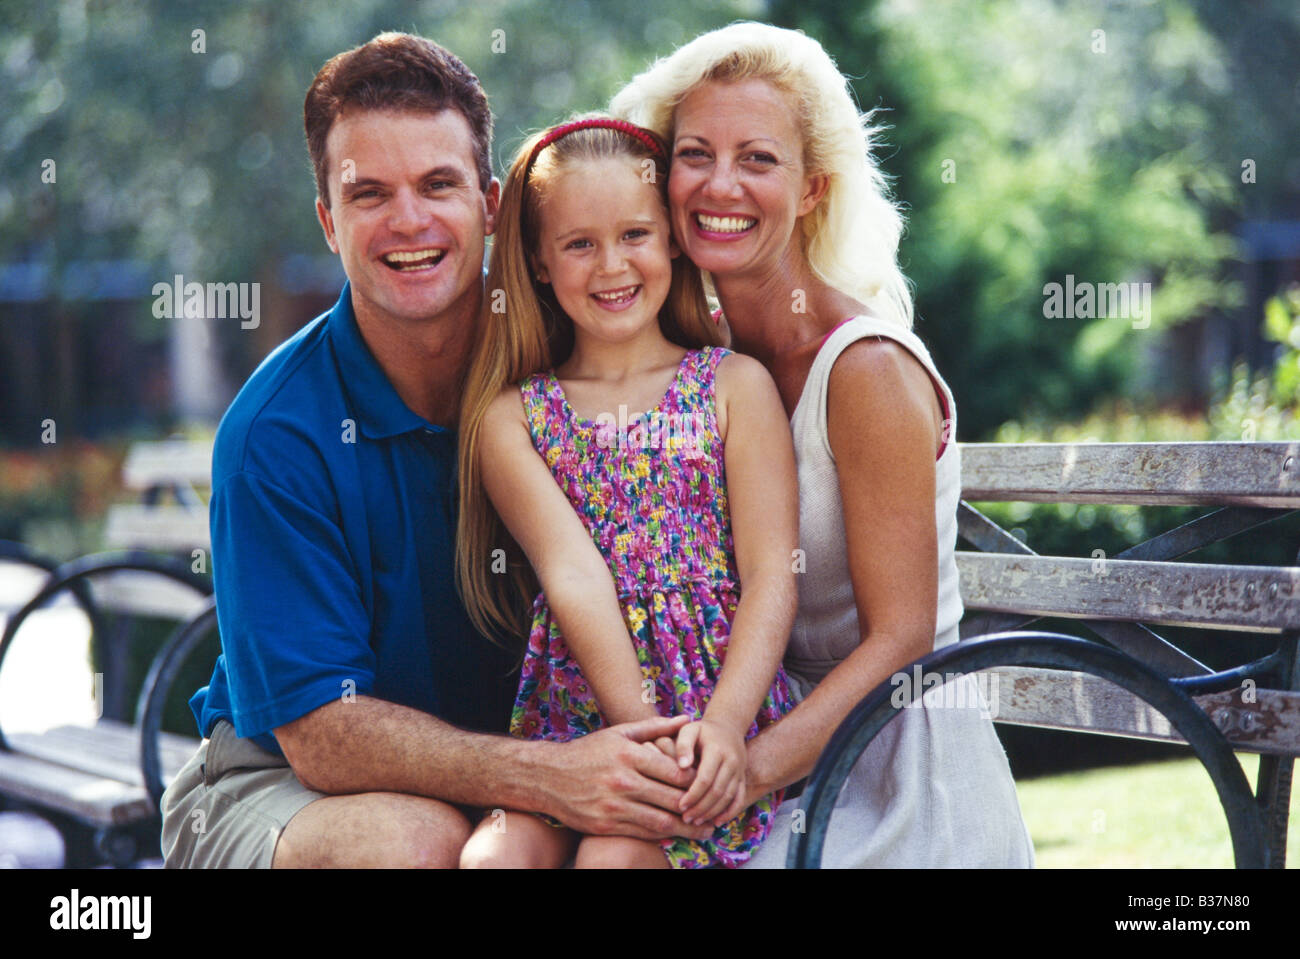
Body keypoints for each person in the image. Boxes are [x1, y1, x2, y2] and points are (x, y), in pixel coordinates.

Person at [159, 32, 716, 869]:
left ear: (491, 203)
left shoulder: (572, 359)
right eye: (370, 193)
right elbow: (321, 734)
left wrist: (866, 367)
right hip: (277, 782)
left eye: (438, 184)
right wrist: (551, 776)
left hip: (533, 763)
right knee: (417, 845)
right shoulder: (277, 432)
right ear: (328, 220)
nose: (409, 220)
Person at [612, 22, 1036, 867]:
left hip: (893, 770)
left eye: (759, 160)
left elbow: (903, 638)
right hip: (769, 741)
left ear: (811, 189)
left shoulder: (866, 367)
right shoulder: (706, 360)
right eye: (695, 154)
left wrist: (737, 775)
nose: (719, 184)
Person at [454, 116, 800, 869]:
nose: (612, 265)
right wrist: (641, 732)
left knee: (612, 860)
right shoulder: (512, 417)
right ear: (541, 264)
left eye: (635, 234)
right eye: (579, 244)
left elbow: (774, 573)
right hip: (576, 723)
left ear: (673, 238)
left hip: (717, 715)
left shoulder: (733, 386)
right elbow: (573, 576)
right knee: (492, 860)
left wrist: (719, 729)